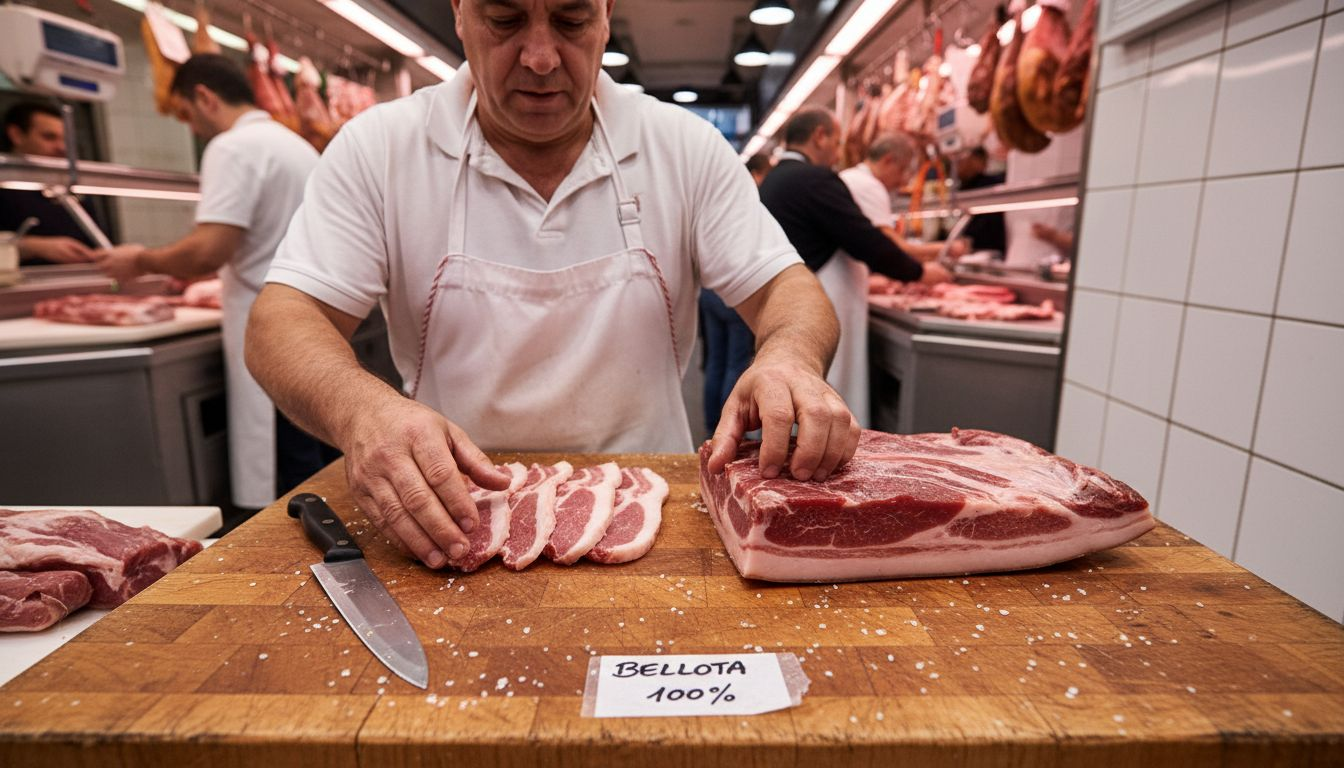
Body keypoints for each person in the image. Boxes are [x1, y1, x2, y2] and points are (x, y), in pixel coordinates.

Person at [244, 0, 858, 570]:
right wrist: (362, 412)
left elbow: (788, 289)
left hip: (650, 511)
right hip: (448, 512)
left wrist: (788, 358)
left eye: (570, 21)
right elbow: (284, 319)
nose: (541, 58)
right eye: (506, 21)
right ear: (459, 12)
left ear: (607, 14)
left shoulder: (681, 145)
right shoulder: (381, 149)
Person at [94, 54, 332, 509]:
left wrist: (140, 259)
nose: (193, 129)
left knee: (288, 464)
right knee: (315, 454)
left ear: (204, 97)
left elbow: (211, 248)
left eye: (186, 114)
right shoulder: (293, 144)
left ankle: (284, 572)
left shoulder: (232, 147)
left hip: (267, 324)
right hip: (309, 316)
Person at [759, 109, 950, 428]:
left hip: (793, 297)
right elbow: (867, 240)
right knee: (826, 393)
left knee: (800, 393)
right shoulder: (813, 178)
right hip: (819, 300)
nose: (839, 151)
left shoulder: (776, 178)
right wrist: (918, 272)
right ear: (819, 136)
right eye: (836, 141)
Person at [699, 152, 772, 434]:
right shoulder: (746, 201)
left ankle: (712, 428)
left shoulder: (712, 199)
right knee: (736, 363)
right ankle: (731, 430)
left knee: (716, 360)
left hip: (708, 291)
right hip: (735, 291)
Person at [0, 102, 97, 265]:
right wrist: (33, 246)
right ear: (16, 135)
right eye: (49, 137)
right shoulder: (4, 183)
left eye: (65, 140)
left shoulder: (72, 189)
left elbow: (96, 244)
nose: (61, 147)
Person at [955, 146, 1006, 254]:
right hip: (973, 251)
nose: (958, 165)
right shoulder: (962, 188)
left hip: (992, 250)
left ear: (979, 161)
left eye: (963, 159)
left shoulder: (992, 184)